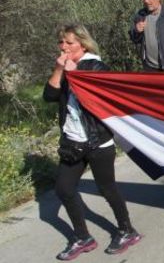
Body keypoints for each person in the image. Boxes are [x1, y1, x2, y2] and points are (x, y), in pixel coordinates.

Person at [45, 24, 141, 260]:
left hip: (98, 140)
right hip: (73, 141)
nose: (63, 47)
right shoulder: (65, 67)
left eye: (69, 42)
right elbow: (49, 96)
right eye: (61, 42)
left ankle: (127, 230)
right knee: (63, 189)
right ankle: (82, 237)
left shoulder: (96, 66)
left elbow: (98, 100)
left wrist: (74, 73)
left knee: (107, 188)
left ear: (83, 44)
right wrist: (59, 70)